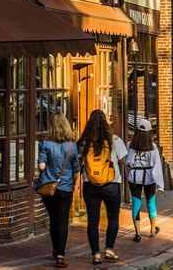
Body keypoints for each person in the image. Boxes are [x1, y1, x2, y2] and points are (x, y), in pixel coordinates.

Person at [77, 110, 127, 265]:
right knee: (113, 217)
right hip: (111, 183)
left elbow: (78, 162)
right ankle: (109, 249)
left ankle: (96, 254)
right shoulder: (114, 140)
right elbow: (124, 159)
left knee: (93, 220)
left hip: (89, 184)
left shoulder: (84, 142)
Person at [37, 113, 80, 268]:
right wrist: (74, 183)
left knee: (53, 219)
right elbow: (76, 169)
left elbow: (41, 166)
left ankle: (55, 248)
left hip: (49, 187)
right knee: (62, 220)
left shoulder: (45, 144)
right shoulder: (72, 146)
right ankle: (60, 255)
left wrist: (43, 162)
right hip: (65, 188)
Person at [126, 117, 165, 242]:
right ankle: (153, 229)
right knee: (150, 202)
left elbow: (128, 162)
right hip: (149, 177)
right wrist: (160, 185)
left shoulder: (130, 145)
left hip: (134, 177)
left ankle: (137, 233)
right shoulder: (152, 147)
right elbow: (157, 166)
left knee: (136, 202)